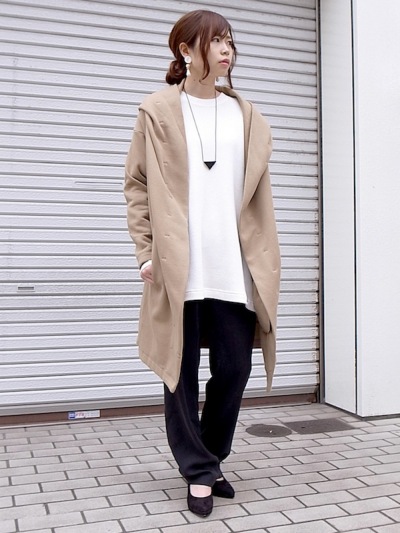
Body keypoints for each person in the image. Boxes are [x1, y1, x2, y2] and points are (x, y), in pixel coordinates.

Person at [124, 9, 280, 518]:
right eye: (216, 41)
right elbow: (137, 185)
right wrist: (145, 251)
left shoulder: (247, 116)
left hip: (234, 264)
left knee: (234, 368)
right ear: (186, 50)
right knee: (180, 371)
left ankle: (210, 458)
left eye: (230, 40)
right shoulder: (157, 111)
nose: (226, 49)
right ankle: (197, 471)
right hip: (180, 265)